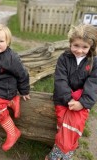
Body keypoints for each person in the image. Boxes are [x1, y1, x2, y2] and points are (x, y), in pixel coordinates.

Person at [45, 24, 97, 160]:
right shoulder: (64, 58)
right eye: (76, 46)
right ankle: (66, 150)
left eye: (85, 47)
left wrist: (83, 103)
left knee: (76, 123)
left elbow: (93, 84)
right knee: (63, 122)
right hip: (63, 98)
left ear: (91, 46)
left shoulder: (94, 61)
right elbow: (60, 80)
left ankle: (60, 152)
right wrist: (69, 99)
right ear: (70, 44)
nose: (80, 50)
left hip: (81, 99)